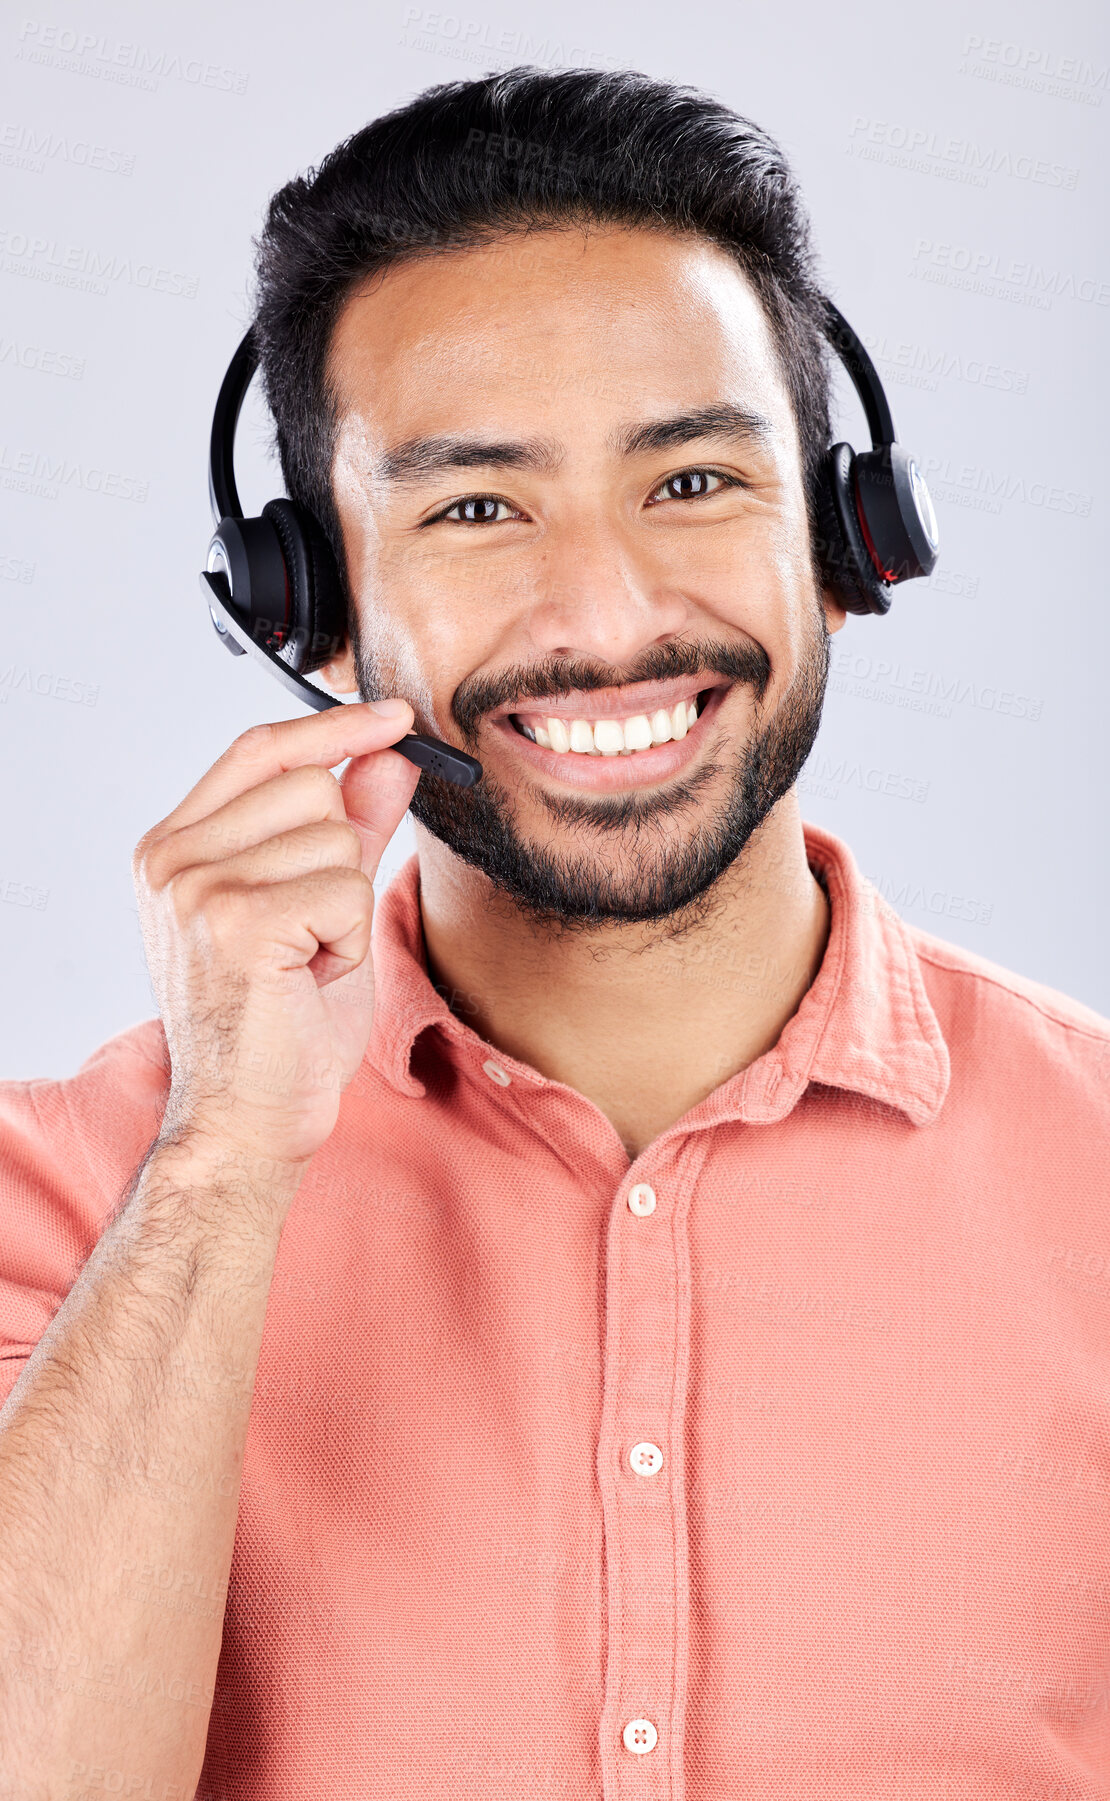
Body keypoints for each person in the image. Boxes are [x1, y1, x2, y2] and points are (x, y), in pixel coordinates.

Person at [0, 66, 1106, 1801]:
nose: (606, 615)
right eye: (475, 507)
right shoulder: (71, 1199)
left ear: (842, 538)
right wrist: (216, 1162)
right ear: (308, 603)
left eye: (688, 483)